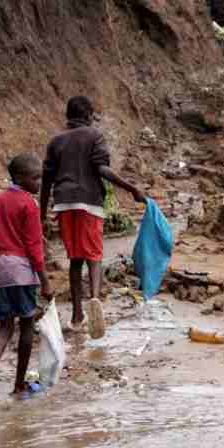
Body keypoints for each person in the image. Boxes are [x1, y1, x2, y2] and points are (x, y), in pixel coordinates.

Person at [41, 95, 146, 337]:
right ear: (89, 115)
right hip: (89, 202)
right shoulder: (94, 135)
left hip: (64, 204)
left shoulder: (55, 141)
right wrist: (131, 188)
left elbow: (46, 179)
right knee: (94, 256)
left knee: (75, 259)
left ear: (68, 116)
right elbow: (102, 169)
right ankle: (95, 301)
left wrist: (41, 213)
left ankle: (77, 314)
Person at [0, 153, 54, 398]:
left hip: (1, 269)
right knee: (27, 324)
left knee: (5, 326)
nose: (39, 183)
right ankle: (18, 385)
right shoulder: (29, 204)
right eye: (35, 178)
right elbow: (34, 247)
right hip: (23, 271)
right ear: (19, 178)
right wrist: (45, 280)